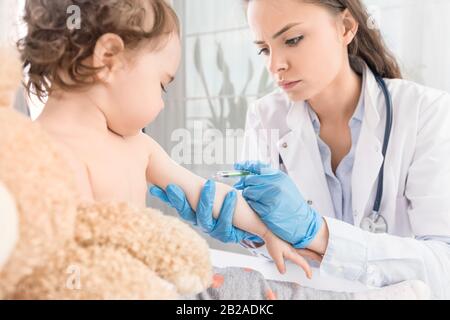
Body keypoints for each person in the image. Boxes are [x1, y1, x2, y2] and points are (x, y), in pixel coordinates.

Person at [152, 0, 450, 299]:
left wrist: (317, 233)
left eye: (293, 40)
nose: (275, 65)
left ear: (345, 28)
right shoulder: (266, 116)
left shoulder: (425, 113)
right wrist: (252, 235)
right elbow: (275, 251)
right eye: (264, 49)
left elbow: (443, 266)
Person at [19, 0, 316, 277]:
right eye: (162, 84)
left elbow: (206, 193)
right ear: (108, 58)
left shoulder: (137, 146)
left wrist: (266, 233)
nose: (162, 104)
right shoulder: (45, 153)